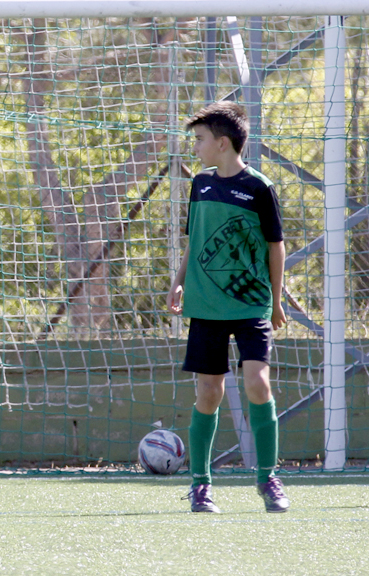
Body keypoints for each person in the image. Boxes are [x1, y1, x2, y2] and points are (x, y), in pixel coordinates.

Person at [167, 101, 289, 514]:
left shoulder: (259, 188)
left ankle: (268, 478)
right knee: (208, 393)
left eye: (199, 140)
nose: (195, 147)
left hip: (251, 304)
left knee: (258, 384)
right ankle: (200, 485)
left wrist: (275, 298)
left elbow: (276, 246)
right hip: (204, 307)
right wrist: (178, 282)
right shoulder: (199, 184)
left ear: (222, 143)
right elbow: (195, 242)